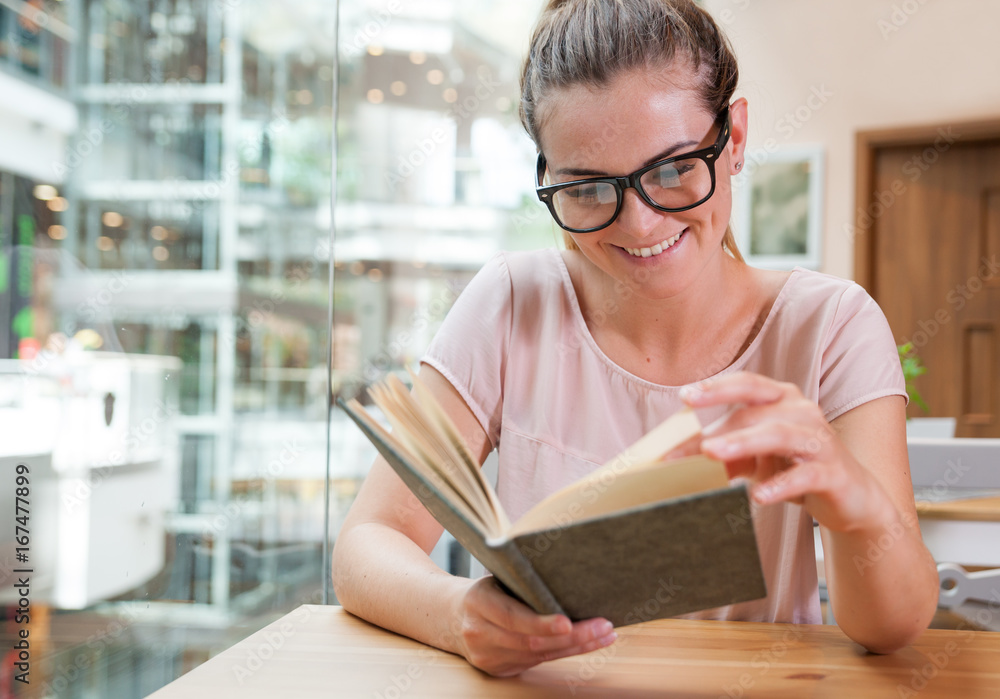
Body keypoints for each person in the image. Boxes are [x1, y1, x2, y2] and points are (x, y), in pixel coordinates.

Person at [333, 0, 939, 678]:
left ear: (734, 139)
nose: (641, 224)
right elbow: (368, 540)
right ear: (546, 177)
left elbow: (892, 628)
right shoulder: (508, 304)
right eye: (588, 188)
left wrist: (858, 511)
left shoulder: (831, 327)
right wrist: (456, 614)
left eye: (674, 169)